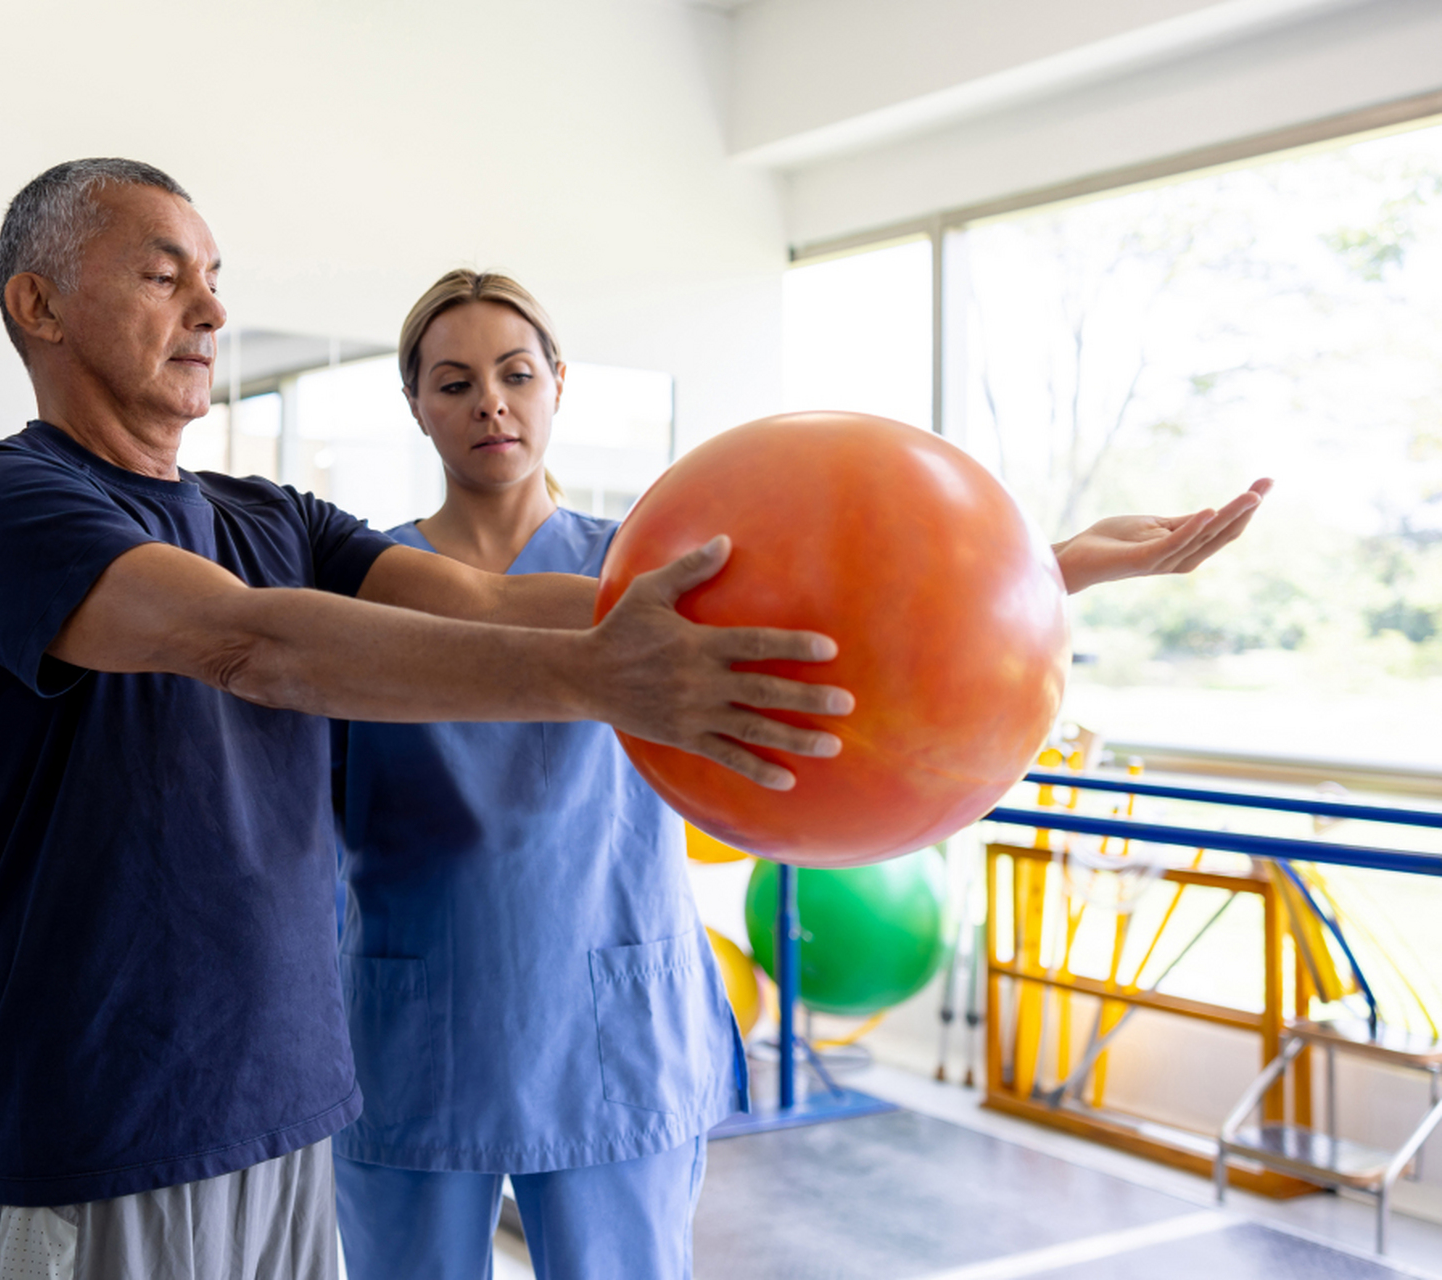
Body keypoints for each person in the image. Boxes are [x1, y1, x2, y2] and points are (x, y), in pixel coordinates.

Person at [0, 160, 861, 1280]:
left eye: (213, 279)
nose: (212, 310)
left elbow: (497, 599)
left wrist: (1011, 579)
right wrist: (603, 677)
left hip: (290, 1110)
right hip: (112, 1127)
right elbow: (249, 644)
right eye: (165, 277)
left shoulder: (271, 515)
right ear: (40, 304)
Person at [331, 269, 1271, 1280]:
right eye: (455, 382)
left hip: (610, 1008)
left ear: (559, 381)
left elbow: (847, 622)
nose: (491, 403)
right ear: (416, 405)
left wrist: (1057, 565)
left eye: (516, 373)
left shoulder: (653, 566)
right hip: (419, 1016)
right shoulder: (368, 583)